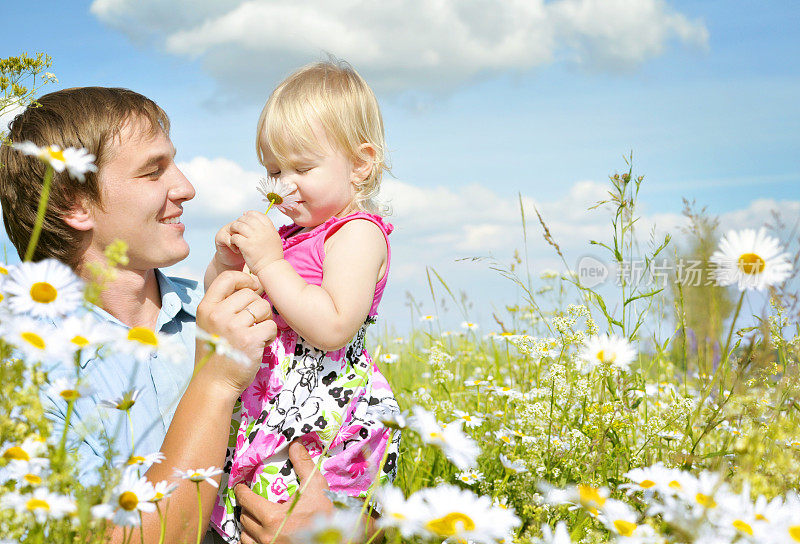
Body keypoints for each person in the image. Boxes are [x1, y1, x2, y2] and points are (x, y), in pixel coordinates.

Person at [0, 87, 337, 544]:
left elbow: (348, 454)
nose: (186, 188)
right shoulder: (20, 363)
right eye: (152, 171)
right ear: (71, 204)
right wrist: (216, 379)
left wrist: (344, 530)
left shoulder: (229, 308)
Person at [205, 61, 401, 542]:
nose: (282, 186)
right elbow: (225, 299)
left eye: (301, 168)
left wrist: (271, 262)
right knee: (252, 513)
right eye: (272, 170)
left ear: (360, 165)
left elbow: (333, 325)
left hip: (322, 406)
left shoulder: (356, 234)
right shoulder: (290, 236)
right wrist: (226, 262)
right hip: (272, 397)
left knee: (302, 512)